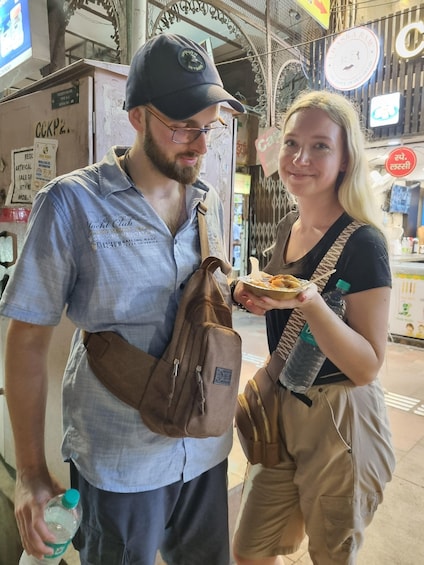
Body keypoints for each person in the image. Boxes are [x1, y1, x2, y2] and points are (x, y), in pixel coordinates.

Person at [0, 34, 244, 565]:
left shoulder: (209, 203)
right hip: (120, 463)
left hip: (205, 447)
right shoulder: (71, 204)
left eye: (209, 127)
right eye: (182, 126)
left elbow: (206, 293)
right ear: (136, 116)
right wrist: (32, 473)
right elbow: (25, 342)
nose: (200, 146)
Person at [231, 90, 395, 565]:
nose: (300, 158)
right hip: (283, 407)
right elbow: (282, 308)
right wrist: (257, 299)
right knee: (250, 550)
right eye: (291, 143)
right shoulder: (286, 229)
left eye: (321, 146)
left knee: (331, 555)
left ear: (345, 159)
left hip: (340, 419)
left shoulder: (363, 243)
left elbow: (366, 366)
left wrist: (309, 302)